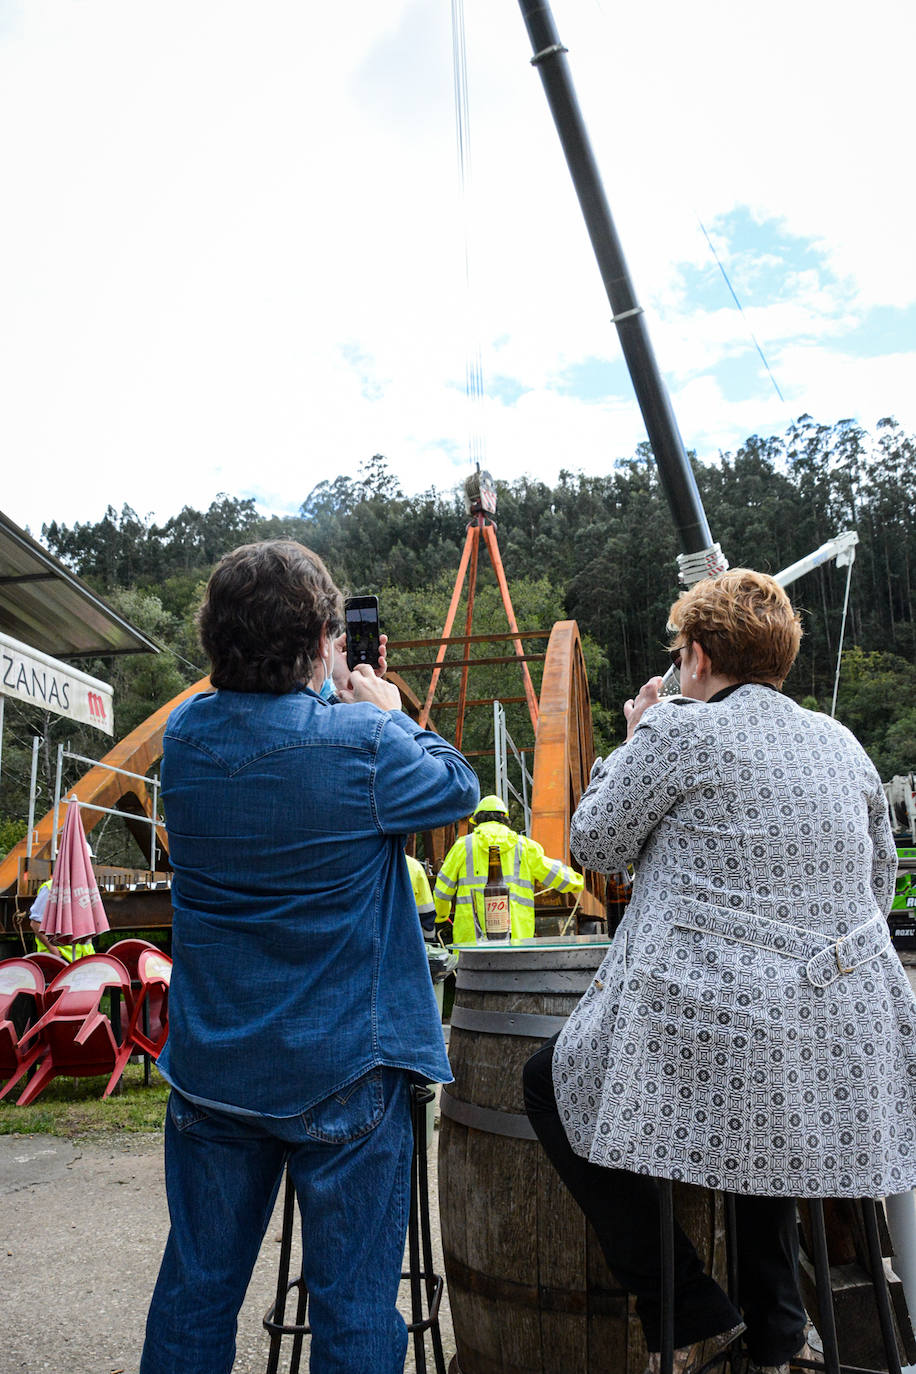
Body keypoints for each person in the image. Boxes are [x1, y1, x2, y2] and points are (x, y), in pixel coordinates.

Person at [523, 569, 916, 1374]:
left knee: (545, 1083)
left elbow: (592, 844)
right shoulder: (839, 741)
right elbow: (875, 886)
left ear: (696, 656)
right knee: (759, 1099)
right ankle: (775, 1333)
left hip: (729, 1031)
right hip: (848, 1045)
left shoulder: (678, 730)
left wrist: (638, 734)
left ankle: (691, 1309)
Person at [138, 541, 479, 1374]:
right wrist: (388, 705)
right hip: (344, 1067)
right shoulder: (364, 742)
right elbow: (458, 784)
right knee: (354, 1307)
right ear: (324, 638)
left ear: (216, 638)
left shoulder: (182, 741)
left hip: (215, 1069)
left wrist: (332, 687)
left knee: (196, 1294)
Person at [433, 794, 583, 942]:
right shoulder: (524, 846)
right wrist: (576, 882)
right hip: (517, 937)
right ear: (505, 819)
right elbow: (552, 873)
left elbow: (443, 890)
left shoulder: (463, 846)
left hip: (472, 938)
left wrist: (441, 915)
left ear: (476, 820)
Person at [28, 879, 95, 962]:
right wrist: (55, 952)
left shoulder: (83, 884)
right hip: (60, 959)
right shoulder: (50, 888)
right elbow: (36, 924)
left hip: (85, 957)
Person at [406, 853, 437, 939]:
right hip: (406, 938)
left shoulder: (368, 863)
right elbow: (427, 910)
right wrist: (429, 941)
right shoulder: (413, 866)